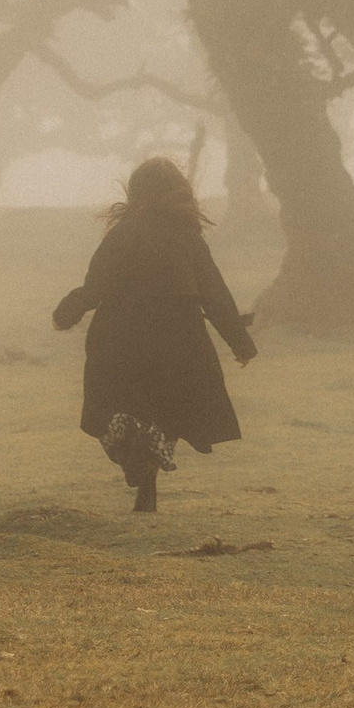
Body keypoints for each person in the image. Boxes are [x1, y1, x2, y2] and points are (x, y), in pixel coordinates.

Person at [51, 156, 255, 513]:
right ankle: (147, 479)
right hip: (177, 340)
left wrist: (65, 313)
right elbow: (214, 292)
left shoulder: (123, 233)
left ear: (135, 193)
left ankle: (137, 465)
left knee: (125, 411)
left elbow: (94, 285)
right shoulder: (187, 237)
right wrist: (240, 343)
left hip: (120, 337)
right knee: (164, 413)